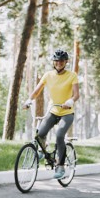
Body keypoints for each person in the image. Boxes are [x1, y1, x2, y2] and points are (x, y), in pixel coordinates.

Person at [24, 49, 80, 179]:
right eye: (56, 61)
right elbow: (37, 91)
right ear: (53, 62)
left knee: (60, 135)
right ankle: (43, 151)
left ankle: (60, 166)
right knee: (41, 133)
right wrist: (29, 100)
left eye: (61, 61)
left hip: (67, 112)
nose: (59, 63)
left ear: (66, 62)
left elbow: (76, 94)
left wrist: (70, 101)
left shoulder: (72, 75)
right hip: (53, 110)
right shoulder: (48, 75)